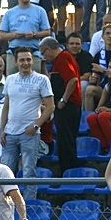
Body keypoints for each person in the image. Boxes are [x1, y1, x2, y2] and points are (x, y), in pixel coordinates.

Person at [0, 47, 54, 201]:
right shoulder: (10, 79)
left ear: (33, 60)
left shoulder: (42, 79)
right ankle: (6, 204)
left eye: (28, 59)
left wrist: (36, 125)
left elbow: (50, 107)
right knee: (6, 172)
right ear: (16, 62)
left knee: (29, 171)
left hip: (30, 134)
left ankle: (28, 205)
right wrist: (2, 130)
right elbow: (6, 107)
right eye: (22, 60)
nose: (26, 63)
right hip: (10, 133)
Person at [39, 37, 82, 174]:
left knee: (66, 142)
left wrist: (63, 100)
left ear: (49, 49)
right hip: (67, 106)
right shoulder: (60, 60)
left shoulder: (63, 58)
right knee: (66, 141)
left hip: (68, 106)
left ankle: (69, 172)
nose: (43, 56)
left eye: (43, 52)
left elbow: (72, 80)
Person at [0, 0, 51, 75]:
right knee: (12, 83)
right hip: (13, 53)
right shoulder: (9, 13)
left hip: (33, 52)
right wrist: (14, 35)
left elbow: (47, 32)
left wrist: (34, 34)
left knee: (34, 83)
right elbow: (2, 35)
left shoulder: (40, 11)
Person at [84, 23, 111, 111]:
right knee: (89, 89)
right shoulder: (98, 55)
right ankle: (88, 119)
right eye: (107, 33)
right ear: (102, 36)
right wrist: (92, 79)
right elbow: (95, 74)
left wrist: (103, 70)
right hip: (103, 87)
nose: (110, 36)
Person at [65, 32, 93, 100]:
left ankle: (81, 110)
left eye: (77, 44)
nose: (74, 46)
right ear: (67, 45)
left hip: (79, 81)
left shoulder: (87, 56)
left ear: (82, 45)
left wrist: (72, 81)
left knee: (83, 85)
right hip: (64, 82)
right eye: (71, 43)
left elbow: (87, 76)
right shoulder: (62, 56)